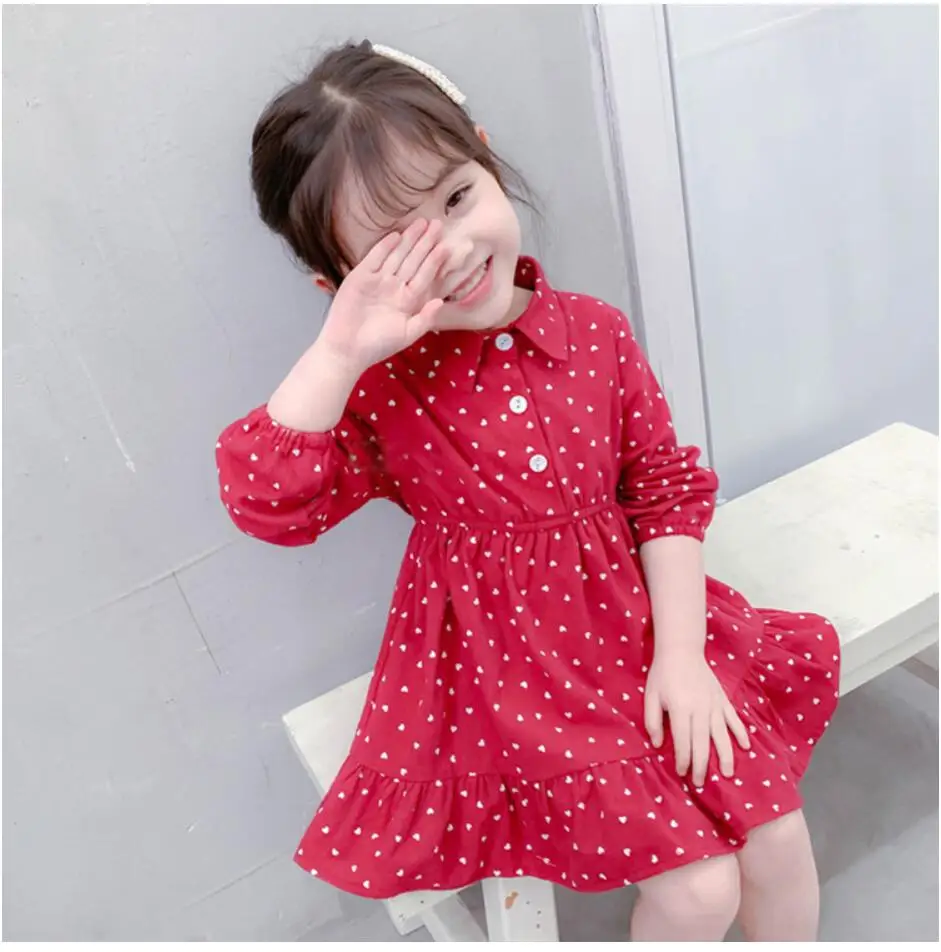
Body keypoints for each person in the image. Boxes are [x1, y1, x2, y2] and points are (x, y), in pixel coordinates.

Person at [215, 39, 840, 941]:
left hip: (644, 624)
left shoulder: (595, 333)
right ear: (338, 284)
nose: (452, 251)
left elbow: (661, 491)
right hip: (508, 672)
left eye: (456, 198)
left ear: (483, 155)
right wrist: (339, 353)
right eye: (398, 250)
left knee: (778, 840)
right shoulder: (381, 393)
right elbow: (265, 501)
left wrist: (682, 655)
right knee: (700, 890)